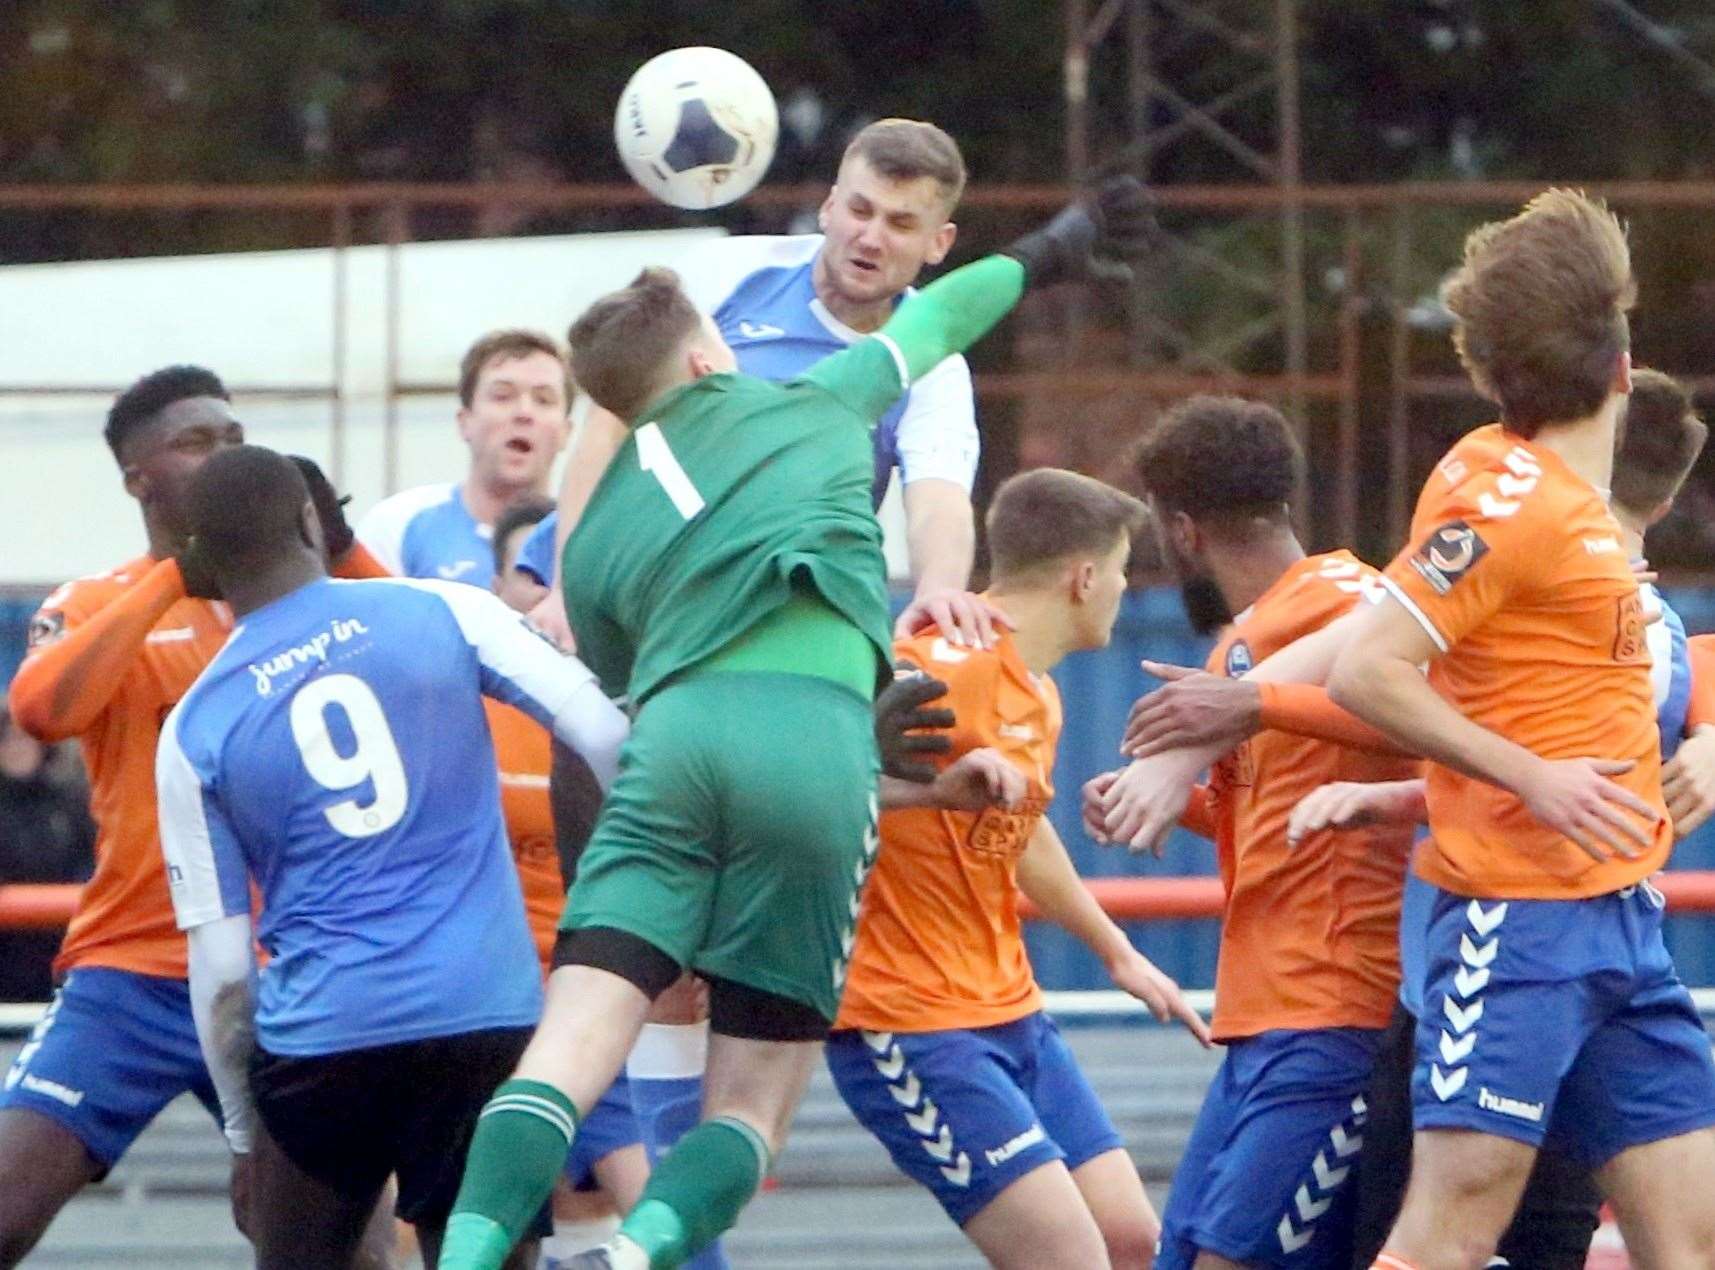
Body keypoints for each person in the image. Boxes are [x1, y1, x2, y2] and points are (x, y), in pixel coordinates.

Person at [437, 176, 1155, 1270]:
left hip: (671, 756)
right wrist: (1059, 245)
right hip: (816, 756)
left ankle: (467, 1253)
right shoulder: (814, 400)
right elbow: (941, 316)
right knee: (751, 1108)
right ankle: (638, 1259)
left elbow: (620, 696)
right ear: (703, 359)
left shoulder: (586, 551)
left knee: (564, 1052)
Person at [1322, 190, 1715, 1269]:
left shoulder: (1574, 514)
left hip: (1620, 924)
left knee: (1689, 1238)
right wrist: (1531, 777)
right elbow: (1365, 666)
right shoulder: (1506, 499)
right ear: (1623, 363)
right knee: (1450, 1228)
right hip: (1515, 918)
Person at [154, 445, 631, 1270]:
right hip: (481, 1009)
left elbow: (223, 966)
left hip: (324, 1040)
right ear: (310, 519)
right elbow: (603, 735)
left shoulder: (195, 725)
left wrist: (242, 1135)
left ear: (199, 562)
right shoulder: (443, 610)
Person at [827, 468, 1208, 1270]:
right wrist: (930, 792)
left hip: (1008, 1008)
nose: (1124, 591)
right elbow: (813, 784)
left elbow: (1022, 834)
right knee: (1068, 1258)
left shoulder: (1035, 691)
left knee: (1132, 1240)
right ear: (1084, 577)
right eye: (1122, 569)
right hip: (908, 1020)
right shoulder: (936, 665)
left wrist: (1117, 952)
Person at [1080, 396, 1420, 1269]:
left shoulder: (1352, 606)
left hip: (1339, 1012)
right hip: (1265, 1016)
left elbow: (1430, 725)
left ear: (1181, 529)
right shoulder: (1246, 639)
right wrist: (1170, 800)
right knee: (1181, 1255)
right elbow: (1280, 800)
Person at [522, 118, 1004, 647]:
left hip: (760, 607)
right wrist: (568, 589)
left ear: (939, 242)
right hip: (614, 567)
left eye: (901, 223)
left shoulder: (933, 363)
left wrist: (936, 590)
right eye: (860, 210)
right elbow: (610, 421)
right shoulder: (729, 271)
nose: (871, 237)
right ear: (829, 207)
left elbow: (939, 500)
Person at [0, 366, 249, 1266]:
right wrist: (175, 575)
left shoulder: (303, 605)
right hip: (134, 970)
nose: (224, 458)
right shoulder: (97, 600)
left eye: (233, 438)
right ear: (138, 478)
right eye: (193, 443)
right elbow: (41, 709)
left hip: (284, 976)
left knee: (343, 1244)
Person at [489, 497, 649, 1260]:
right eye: (530, 576)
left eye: (565, 573)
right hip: (493, 1007)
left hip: (600, 995)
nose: (549, 595)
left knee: (653, 1200)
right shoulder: (465, 709)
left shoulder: (630, 710)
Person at [357, 329, 572, 584]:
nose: (524, 412)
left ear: (565, 433)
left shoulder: (586, 542)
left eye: (543, 400)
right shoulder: (396, 526)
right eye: (503, 396)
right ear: (464, 421)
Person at [0, 712, 94, 1003]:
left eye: (26, 738)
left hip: (59, 950)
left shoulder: (72, 801)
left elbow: (92, 864)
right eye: (6, 739)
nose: (17, 747)